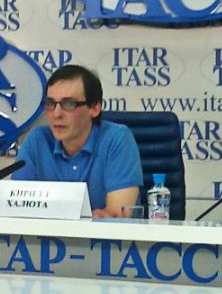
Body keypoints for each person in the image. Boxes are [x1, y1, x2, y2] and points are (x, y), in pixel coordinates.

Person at [13, 64, 142, 218]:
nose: (56, 114)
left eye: (69, 104)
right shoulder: (37, 140)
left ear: (95, 108)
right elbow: (15, 209)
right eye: (51, 104)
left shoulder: (117, 139)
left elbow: (118, 216)